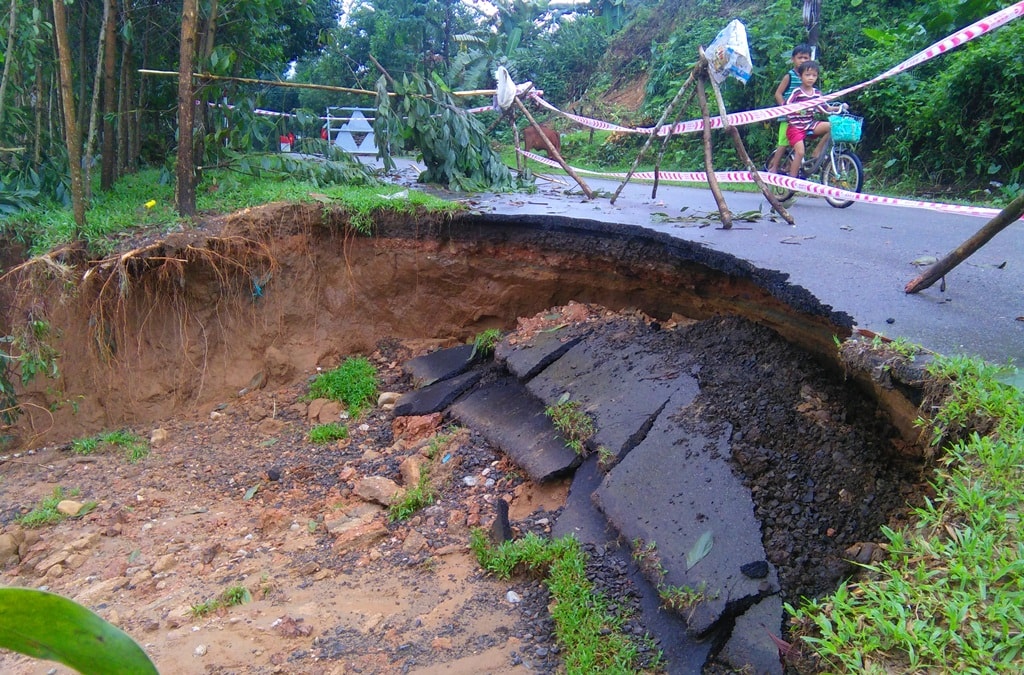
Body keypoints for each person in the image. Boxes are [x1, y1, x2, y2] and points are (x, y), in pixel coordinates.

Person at [784, 60, 843, 179]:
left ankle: (817, 151)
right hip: (795, 127)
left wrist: (840, 107)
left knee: (832, 126)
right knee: (800, 152)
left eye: (814, 75)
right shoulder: (797, 92)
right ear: (800, 77)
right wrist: (796, 110)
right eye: (807, 75)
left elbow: (825, 107)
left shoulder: (817, 93)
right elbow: (786, 106)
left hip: (810, 124)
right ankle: (792, 180)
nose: (811, 78)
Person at [766, 44, 812, 174]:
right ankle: (774, 167)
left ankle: (795, 166)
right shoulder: (789, 76)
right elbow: (778, 93)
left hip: (803, 118)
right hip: (787, 117)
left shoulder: (809, 77)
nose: (803, 60)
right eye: (800, 58)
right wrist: (785, 108)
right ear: (793, 59)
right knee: (783, 142)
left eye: (806, 58)